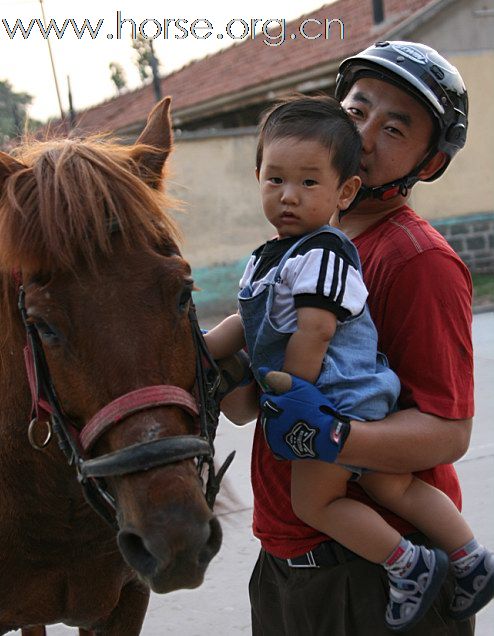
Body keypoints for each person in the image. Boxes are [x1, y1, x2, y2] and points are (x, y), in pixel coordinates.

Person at [218, 41, 493, 635]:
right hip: (285, 564)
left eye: (395, 128)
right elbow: (248, 400)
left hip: (373, 579)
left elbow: (449, 431)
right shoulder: (300, 248)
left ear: (430, 163)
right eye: (357, 109)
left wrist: (334, 435)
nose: (365, 136)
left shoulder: (417, 261)